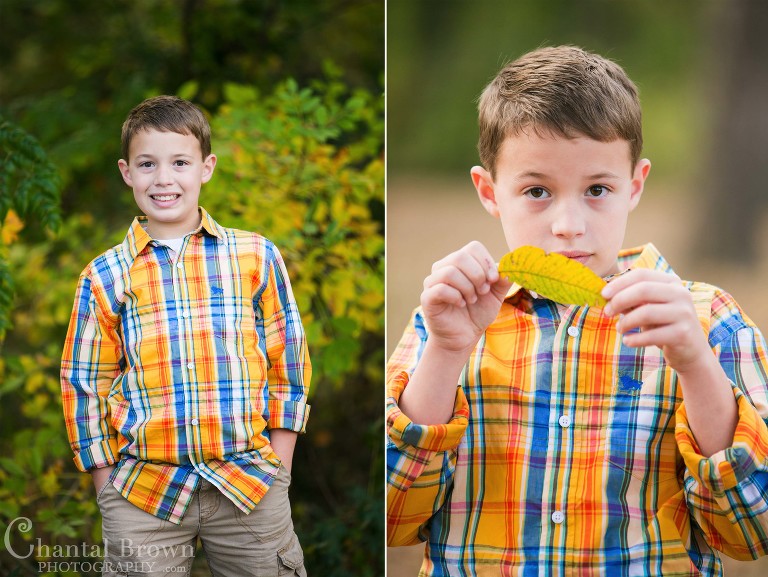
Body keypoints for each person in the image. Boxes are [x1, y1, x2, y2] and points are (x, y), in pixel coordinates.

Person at [386, 46, 768, 576]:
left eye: (597, 190)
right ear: (489, 191)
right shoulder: (451, 319)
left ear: (634, 185)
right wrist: (447, 352)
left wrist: (697, 367)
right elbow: (391, 520)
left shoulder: (707, 320)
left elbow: (752, 531)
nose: (568, 223)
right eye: (537, 190)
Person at [61, 95, 310, 577]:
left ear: (206, 167)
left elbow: (289, 361)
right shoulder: (105, 275)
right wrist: (105, 484)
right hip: (142, 490)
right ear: (126, 172)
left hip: (249, 483)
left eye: (180, 162)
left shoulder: (254, 255)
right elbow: (84, 381)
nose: (164, 179)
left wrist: (281, 467)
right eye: (147, 164)